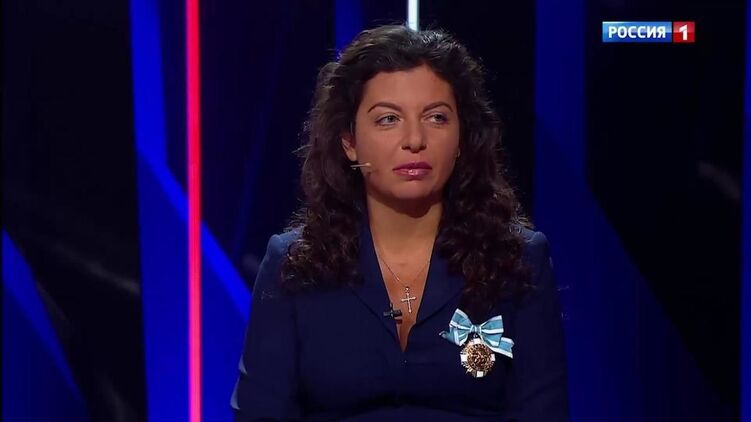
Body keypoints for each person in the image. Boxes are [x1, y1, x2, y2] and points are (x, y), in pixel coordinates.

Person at [231, 24, 568, 421]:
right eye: (388, 119)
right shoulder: (294, 264)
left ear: (461, 138)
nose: (414, 140)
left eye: (436, 117)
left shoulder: (517, 260)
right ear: (349, 141)